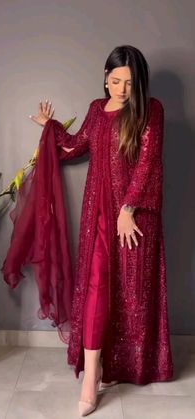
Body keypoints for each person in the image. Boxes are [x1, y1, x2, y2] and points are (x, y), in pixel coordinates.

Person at [29, 44, 174, 416]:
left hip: (135, 219)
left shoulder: (150, 110)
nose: (121, 89)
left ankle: (120, 367)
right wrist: (51, 130)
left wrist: (128, 208)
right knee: (96, 291)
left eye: (128, 82)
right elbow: (77, 146)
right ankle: (91, 377)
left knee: (130, 294)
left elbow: (148, 162)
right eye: (114, 80)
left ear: (138, 82)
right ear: (105, 77)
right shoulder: (97, 109)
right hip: (98, 215)